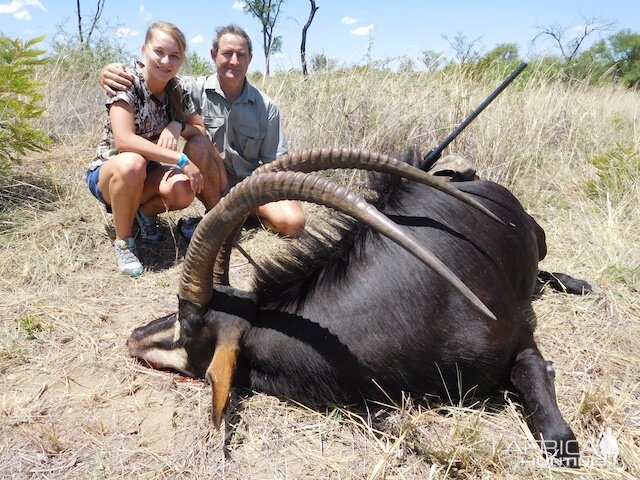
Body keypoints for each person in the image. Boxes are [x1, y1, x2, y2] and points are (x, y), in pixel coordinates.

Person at [100, 24, 305, 239]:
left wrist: (177, 125)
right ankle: (220, 220)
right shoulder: (189, 88)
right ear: (213, 55)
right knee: (197, 144)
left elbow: (278, 164)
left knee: (293, 223)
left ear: (250, 59)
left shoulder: (267, 107)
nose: (234, 61)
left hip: (252, 186)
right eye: (227, 53)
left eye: (241, 55)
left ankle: (237, 217)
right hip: (215, 184)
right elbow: (154, 75)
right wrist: (107, 72)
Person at [87, 21, 206, 277]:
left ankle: (143, 213)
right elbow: (124, 141)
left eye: (175, 56)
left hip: (146, 174)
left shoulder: (178, 89)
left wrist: (177, 125)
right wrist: (181, 159)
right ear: (144, 50)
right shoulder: (126, 81)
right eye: (159, 52)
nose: (166, 61)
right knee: (133, 162)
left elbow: (200, 130)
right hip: (112, 173)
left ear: (182, 60)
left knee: (183, 190)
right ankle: (124, 242)